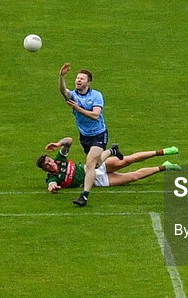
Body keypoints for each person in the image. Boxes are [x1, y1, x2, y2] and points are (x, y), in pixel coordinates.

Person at [38, 137, 180, 193]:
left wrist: (58, 144)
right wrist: (53, 188)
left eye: (49, 161)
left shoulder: (60, 159)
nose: (50, 165)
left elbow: (69, 140)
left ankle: (163, 152)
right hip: (97, 181)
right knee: (133, 177)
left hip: (95, 167)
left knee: (128, 160)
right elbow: (50, 186)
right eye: (47, 166)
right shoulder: (52, 178)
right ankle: (165, 167)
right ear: (45, 169)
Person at [58, 64, 111, 207]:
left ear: (89, 82)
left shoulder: (96, 95)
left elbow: (95, 115)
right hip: (85, 136)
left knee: (90, 164)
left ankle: (84, 196)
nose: (78, 80)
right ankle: (112, 151)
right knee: (98, 163)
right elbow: (63, 91)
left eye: (82, 79)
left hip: (99, 134)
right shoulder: (73, 95)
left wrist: (77, 108)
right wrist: (61, 76)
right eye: (77, 78)